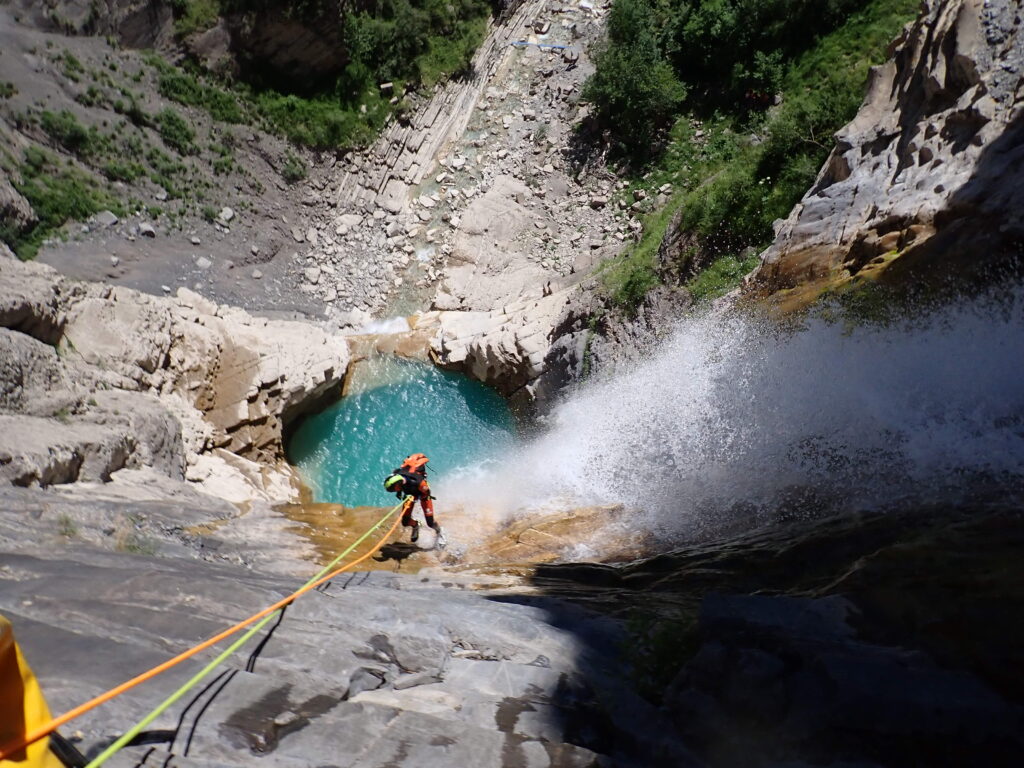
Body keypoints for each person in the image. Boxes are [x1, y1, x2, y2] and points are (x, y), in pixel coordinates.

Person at [383, 454, 442, 543]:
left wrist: (416, 497)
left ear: (398, 484)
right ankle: (416, 525)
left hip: (423, 495)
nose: (394, 491)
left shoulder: (418, 482)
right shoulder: (398, 476)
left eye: (394, 490)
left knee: (430, 523)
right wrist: (401, 493)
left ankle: (439, 533)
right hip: (410, 495)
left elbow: (427, 493)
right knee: (405, 521)